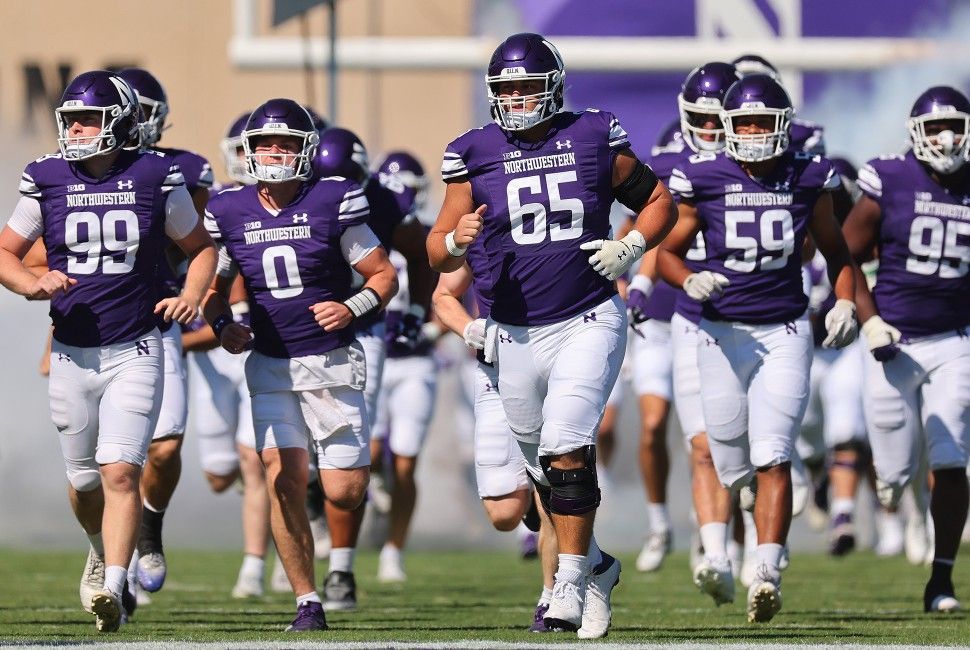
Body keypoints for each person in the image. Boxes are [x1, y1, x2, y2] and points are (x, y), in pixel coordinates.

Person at [428, 32, 677, 638]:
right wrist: (458, 239)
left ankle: (566, 584)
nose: (516, 98)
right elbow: (435, 252)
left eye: (527, 86)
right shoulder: (473, 153)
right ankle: (596, 565)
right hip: (512, 332)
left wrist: (631, 247)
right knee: (545, 472)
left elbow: (659, 201)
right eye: (506, 89)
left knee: (566, 447)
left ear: (554, 87)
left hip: (588, 315)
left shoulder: (593, 135)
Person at [0, 70, 216, 631]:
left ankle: (115, 590)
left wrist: (192, 296)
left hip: (136, 345)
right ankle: (98, 549)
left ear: (118, 122)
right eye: (69, 119)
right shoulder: (46, 176)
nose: (76, 130)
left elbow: (199, 248)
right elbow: (6, 250)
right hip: (74, 350)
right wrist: (29, 283)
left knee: (121, 471)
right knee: (84, 481)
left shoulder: (155, 174)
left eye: (88, 119)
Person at [658, 73, 857, 623]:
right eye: (740, 122)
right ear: (724, 127)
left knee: (773, 453)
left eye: (759, 123)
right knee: (727, 460)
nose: (749, 132)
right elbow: (667, 252)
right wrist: (687, 280)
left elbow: (840, 253)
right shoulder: (704, 174)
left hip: (784, 330)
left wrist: (845, 302)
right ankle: (727, 540)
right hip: (720, 331)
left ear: (782, 127)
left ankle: (766, 569)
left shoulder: (807, 176)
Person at [201, 99, 397, 631]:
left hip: (332, 363)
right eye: (265, 143)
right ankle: (307, 601)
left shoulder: (334, 199)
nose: (274, 153)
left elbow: (383, 276)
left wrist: (350, 306)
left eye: (286, 143)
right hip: (270, 365)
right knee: (281, 478)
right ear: (248, 150)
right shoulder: (228, 210)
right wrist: (223, 327)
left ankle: (333, 496)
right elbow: (213, 293)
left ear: (306, 149)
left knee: (344, 491)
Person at [843, 85, 970, 613]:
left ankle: (941, 577)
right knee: (893, 475)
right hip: (892, 345)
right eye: (936, 128)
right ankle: (898, 495)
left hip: (956, 342)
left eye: (956, 126)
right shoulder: (889, 178)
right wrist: (864, 317)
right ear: (915, 133)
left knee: (951, 454)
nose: (947, 138)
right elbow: (843, 252)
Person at [628, 61, 742, 577]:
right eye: (703, 116)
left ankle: (716, 534)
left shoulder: (752, 163)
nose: (711, 128)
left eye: (720, 117)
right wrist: (638, 282)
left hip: (722, 311)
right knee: (654, 426)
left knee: (715, 434)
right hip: (661, 314)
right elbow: (644, 226)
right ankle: (659, 523)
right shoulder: (667, 158)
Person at [310, 128, 430, 605]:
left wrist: (416, 314)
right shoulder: (283, 195)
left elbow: (419, 257)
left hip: (360, 331)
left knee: (353, 440)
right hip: (297, 336)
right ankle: (308, 524)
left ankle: (341, 566)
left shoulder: (379, 202)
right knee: (290, 450)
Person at [116, 66, 214, 597]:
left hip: (158, 320)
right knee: (105, 461)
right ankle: (108, 557)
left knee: (165, 447)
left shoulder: (183, 172)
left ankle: (149, 529)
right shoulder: (79, 176)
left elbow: (200, 243)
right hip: (98, 328)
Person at [433, 256, 560, 632]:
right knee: (504, 514)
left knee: (553, 485)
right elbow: (444, 294)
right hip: (496, 371)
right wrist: (468, 328)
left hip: (554, 368)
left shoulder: (564, 228)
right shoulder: (483, 231)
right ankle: (538, 508)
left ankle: (553, 596)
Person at [184, 109, 271, 599]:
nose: (246, 158)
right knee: (220, 475)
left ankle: (254, 568)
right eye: (238, 149)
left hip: (256, 341)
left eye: (251, 148)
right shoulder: (208, 205)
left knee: (257, 460)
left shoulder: (283, 202)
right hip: (212, 348)